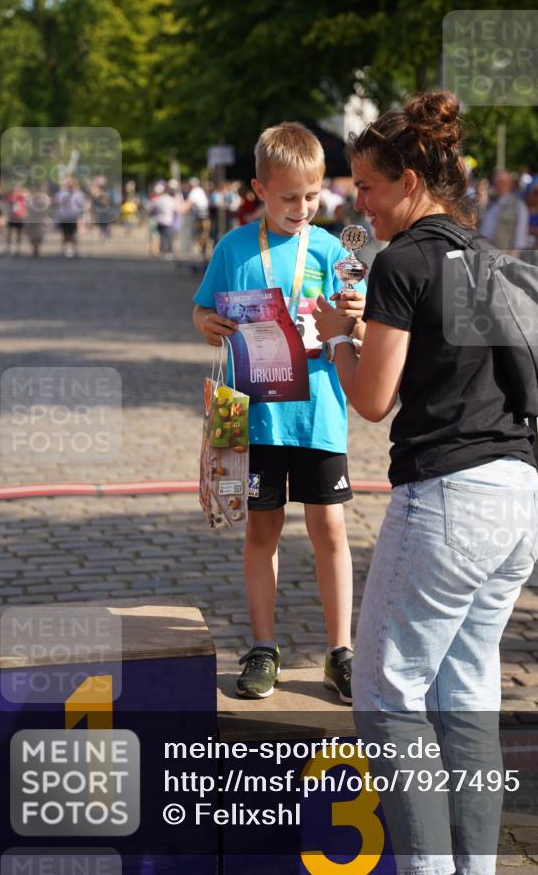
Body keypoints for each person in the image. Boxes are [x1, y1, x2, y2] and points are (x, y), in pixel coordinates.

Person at [313, 91, 538, 875]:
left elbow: (372, 401)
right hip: (519, 496)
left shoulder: (404, 263)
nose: (359, 203)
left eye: (367, 187)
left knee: (383, 698)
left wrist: (337, 336)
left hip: (447, 499)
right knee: (465, 698)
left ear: (410, 180)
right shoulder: (493, 261)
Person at [192, 122, 366, 703]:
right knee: (261, 529)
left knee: (330, 529)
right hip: (256, 417)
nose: (302, 208)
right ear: (259, 189)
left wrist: (357, 315)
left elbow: (357, 325)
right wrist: (208, 324)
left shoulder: (334, 249)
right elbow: (201, 311)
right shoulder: (233, 247)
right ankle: (263, 648)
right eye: (289, 196)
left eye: (312, 196)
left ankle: (341, 651)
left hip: (319, 413)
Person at [479, 170, 529, 254]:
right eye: (497, 182)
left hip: (502, 257)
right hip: (483, 253)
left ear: (510, 184)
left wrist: (511, 261)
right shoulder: (490, 203)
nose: (499, 185)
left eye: (502, 182)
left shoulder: (518, 205)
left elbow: (519, 240)